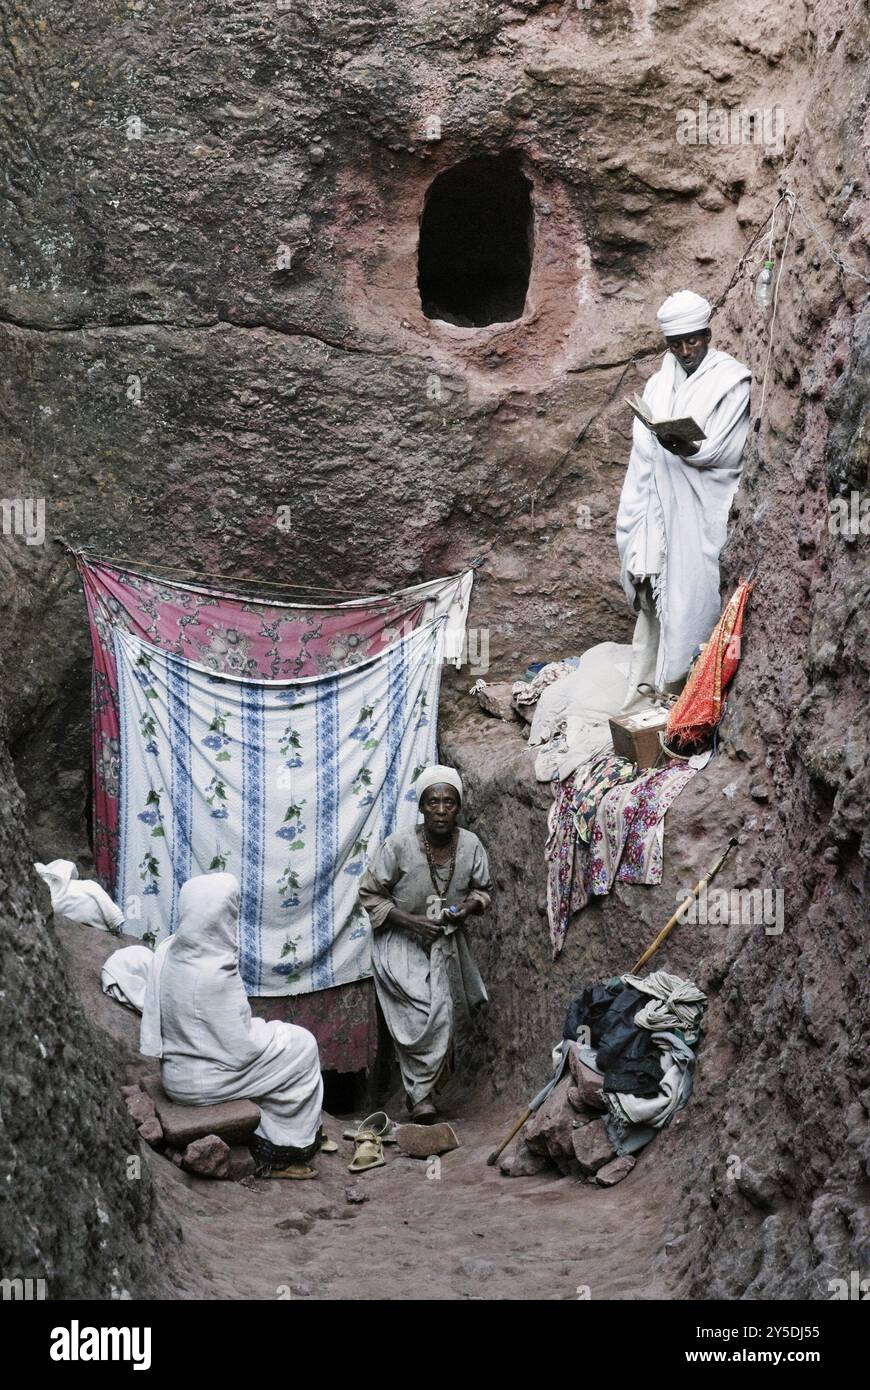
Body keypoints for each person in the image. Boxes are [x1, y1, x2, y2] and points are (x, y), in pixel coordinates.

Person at [140, 872, 330, 1179]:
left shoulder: (168, 950)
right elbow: (243, 1050)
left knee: (279, 1042)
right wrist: (273, 1031)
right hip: (202, 1083)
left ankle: (271, 1129)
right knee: (302, 1045)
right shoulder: (215, 972)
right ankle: (284, 1150)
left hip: (175, 1072)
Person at [616, 289, 751, 709]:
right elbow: (643, 459)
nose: (686, 350)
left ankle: (691, 698)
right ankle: (652, 694)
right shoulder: (658, 385)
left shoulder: (731, 380)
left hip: (700, 513)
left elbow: (728, 451)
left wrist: (687, 449)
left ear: (707, 334)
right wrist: (637, 530)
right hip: (659, 515)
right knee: (655, 603)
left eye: (693, 340)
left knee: (696, 601)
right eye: (677, 344)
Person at [358, 764, 491, 1122]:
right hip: (399, 941)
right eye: (434, 802)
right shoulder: (398, 846)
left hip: (446, 944)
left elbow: (483, 890)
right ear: (421, 807)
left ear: (459, 807)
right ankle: (419, 1098)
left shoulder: (471, 846)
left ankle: (426, 1090)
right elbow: (370, 895)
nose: (442, 810)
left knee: (446, 1014)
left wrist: (467, 907)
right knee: (422, 1015)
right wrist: (412, 922)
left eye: (450, 802)